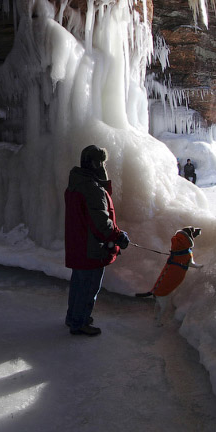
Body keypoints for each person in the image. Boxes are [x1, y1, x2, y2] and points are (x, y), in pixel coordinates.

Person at [64, 144, 129, 336]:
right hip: (91, 247)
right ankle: (80, 322)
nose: (103, 166)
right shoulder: (92, 189)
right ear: (95, 164)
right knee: (89, 286)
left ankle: (73, 316)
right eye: (101, 162)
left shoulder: (76, 183)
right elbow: (101, 222)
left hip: (78, 245)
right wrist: (118, 236)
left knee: (78, 284)